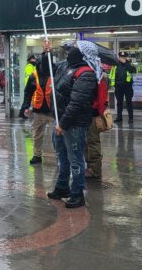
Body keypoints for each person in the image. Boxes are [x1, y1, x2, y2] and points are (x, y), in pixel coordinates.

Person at [45, 40, 99, 209]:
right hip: (60, 120)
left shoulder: (86, 74)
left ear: (83, 54)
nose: (70, 50)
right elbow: (47, 70)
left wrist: (63, 124)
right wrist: (46, 54)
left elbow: (76, 103)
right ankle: (62, 187)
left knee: (75, 159)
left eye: (75, 48)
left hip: (73, 124)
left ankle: (77, 193)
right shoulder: (65, 66)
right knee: (61, 156)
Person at [23, 55, 53, 165]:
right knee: (37, 135)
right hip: (38, 110)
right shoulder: (33, 76)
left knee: (57, 136)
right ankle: (37, 155)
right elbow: (28, 92)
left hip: (53, 111)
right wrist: (26, 106)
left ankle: (60, 156)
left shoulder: (54, 74)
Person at [110, 51, 136, 123]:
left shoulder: (129, 63)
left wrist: (125, 63)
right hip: (118, 86)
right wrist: (114, 84)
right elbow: (112, 74)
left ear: (126, 57)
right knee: (119, 102)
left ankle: (130, 118)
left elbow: (133, 70)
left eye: (124, 57)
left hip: (127, 86)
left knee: (128, 102)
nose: (122, 58)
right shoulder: (115, 64)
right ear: (119, 57)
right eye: (121, 57)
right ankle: (119, 117)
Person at [19, 55, 37, 119]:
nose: (35, 60)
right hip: (30, 86)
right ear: (30, 60)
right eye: (34, 59)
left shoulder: (31, 66)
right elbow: (31, 77)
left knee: (27, 100)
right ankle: (22, 113)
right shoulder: (30, 67)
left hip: (30, 85)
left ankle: (23, 113)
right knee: (27, 101)